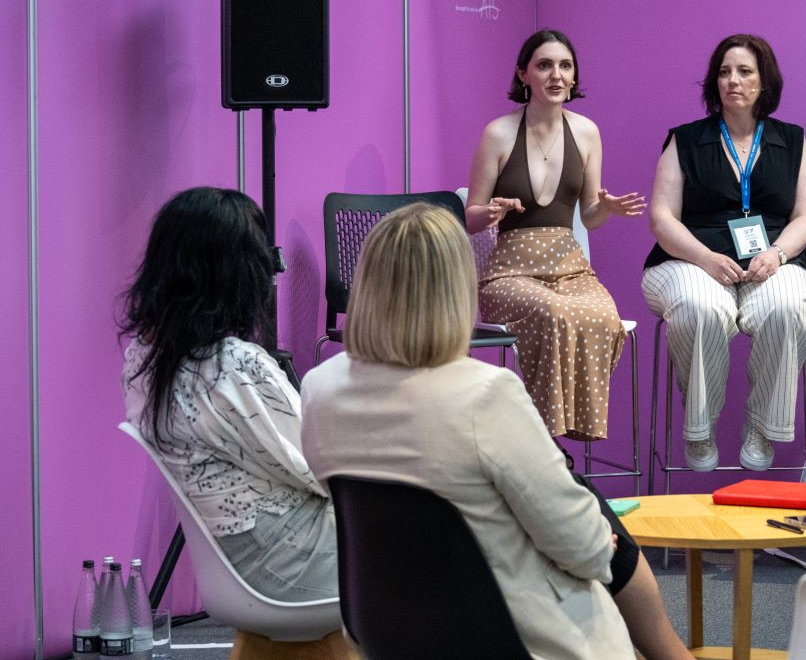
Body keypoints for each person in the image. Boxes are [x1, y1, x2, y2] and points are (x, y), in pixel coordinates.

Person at [300, 203, 690, 660]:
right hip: (518, 639)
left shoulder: (319, 389)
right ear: (456, 290)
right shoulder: (485, 394)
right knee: (592, 520)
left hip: (390, 637)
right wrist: (595, 540)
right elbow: (583, 549)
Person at [120, 187, 336, 602]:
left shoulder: (142, 361)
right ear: (240, 271)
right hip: (292, 559)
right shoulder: (235, 365)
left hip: (236, 562)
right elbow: (319, 467)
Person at [643, 34, 806, 472]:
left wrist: (778, 254)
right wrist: (705, 257)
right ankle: (700, 428)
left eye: (744, 72)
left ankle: (762, 425)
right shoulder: (685, 140)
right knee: (699, 307)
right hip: (689, 261)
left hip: (773, 262)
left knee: (792, 308)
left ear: (765, 82)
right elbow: (662, 218)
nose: (732, 81)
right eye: (724, 72)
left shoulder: (791, 140)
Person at [465, 28, 645, 442]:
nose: (556, 75)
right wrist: (489, 213)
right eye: (544, 65)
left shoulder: (586, 132)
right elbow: (470, 217)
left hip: (570, 268)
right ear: (523, 75)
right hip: (510, 274)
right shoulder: (498, 133)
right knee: (555, 314)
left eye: (565, 66)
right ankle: (543, 438)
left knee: (603, 316)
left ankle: (571, 432)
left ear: (574, 77)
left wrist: (608, 208)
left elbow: (592, 216)